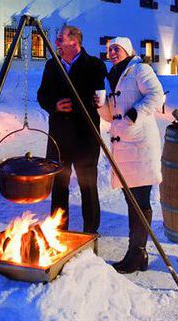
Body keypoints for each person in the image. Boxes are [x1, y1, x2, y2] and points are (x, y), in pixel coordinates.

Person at [97, 36, 164, 274]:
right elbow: (110, 116)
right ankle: (138, 254)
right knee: (131, 198)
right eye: (109, 50)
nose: (112, 53)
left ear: (127, 50)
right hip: (124, 145)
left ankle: (136, 253)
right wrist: (101, 105)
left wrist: (135, 114)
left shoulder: (139, 69)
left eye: (116, 48)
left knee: (139, 199)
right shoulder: (114, 75)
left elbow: (156, 95)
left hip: (140, 144)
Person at [37, 25, 107, 233]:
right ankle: (58, 231)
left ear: (74, 42)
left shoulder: (94, 65)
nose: (56, 42)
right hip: (59, 137)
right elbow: (42, 96)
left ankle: (90, 233)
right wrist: (54, 105)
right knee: (59, 186)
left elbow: (102, 92)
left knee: (88, 186)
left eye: (60, 38)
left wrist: (99, 100)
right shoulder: (52, 65)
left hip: (85, 137)